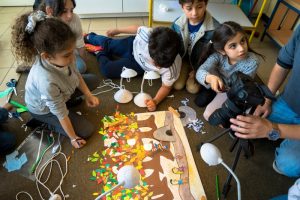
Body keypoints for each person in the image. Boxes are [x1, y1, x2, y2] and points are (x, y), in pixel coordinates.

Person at [11, 11, 100, 149]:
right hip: (44, 110)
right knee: (86, 130)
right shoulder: (46, 81)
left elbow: (76, 73)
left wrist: (88, 94)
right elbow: (60, 113)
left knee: (93, 80)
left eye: (72, 51)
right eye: (67, 55)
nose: (72, 58)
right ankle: (45, 122)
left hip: (62, 90)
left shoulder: (64, 54)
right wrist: (73, 138)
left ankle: (67, 101)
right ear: (47, 56)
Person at [230, 26, 300, 178]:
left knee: (288, 164)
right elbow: (283, 63)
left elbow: (272, 129)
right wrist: (267, 98)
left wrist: (273, 130)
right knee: (243, 123)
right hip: (290, 103)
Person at [84, 26, 182, 112]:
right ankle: (89, 36)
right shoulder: (148, 35)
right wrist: (117, 30)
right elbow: (137, 28)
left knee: (107, 70)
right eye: (155, 62)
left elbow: (166, 87)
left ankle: (99, 51)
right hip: (132, 45)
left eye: (162, 66)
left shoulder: (173, 67)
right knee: (108, 44)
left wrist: (155, 101)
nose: (158, 67)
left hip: (139, 65)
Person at [195, 21, 262, 121]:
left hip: (232, 90)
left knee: (210, 115)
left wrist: (223, 93)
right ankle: (213, 92)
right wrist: (210, 78)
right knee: (200, 102)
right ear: (222, 51)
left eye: (242, 41)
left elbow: (241, 89)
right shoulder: (217, 56)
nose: (241, 49)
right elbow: (200, 71)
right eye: (233, 46)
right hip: (219, 84)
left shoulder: (252, 62)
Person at [171, 0, 219, 94]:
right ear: (182, 7)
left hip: (200, 64)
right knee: (177, 85)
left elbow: (215, 56)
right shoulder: (177, 23)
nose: (194, 13)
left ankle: (193, 75)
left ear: (206, 4)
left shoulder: (215, 28)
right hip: (183, 60)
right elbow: (170, 42)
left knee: (193, 89)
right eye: (189, 8)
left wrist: (198, 70)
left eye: (199, 7)